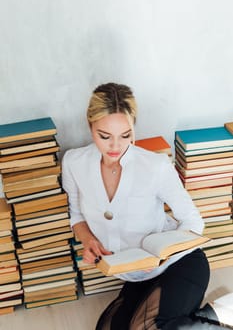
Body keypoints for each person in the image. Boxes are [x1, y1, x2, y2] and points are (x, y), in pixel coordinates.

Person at [62, 82, 230, 329]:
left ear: (133, 128)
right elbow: (76, 215)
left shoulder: (155, 166)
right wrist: (88, 241)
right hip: (135, 275)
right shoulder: (74, 163)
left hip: (180, 263)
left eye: (126, 135)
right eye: (105, 136)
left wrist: (162, 255)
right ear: (90, 127)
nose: (115, 146)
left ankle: (223, 314)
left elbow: (194, 222)